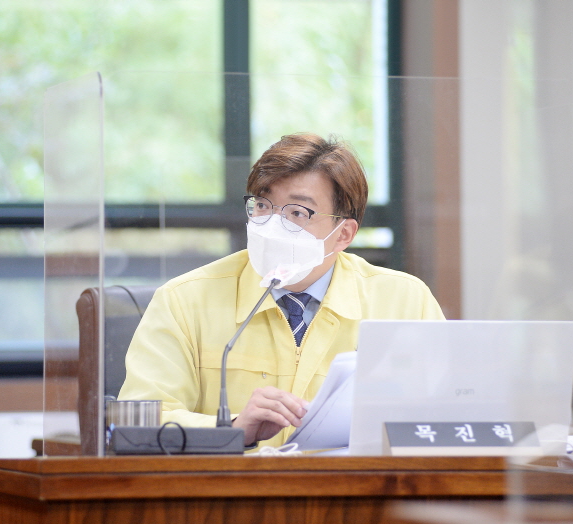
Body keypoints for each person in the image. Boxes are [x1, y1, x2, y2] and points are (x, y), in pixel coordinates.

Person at [118, 133, 445, 448]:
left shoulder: (405, 302)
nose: (272, 226)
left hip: (357, 495)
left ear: (344, 234)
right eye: (262, 206)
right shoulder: (183, 301)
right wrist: (233, 429)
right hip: (230, 499)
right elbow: (139, 426)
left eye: (297, 213)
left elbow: (442, 416)